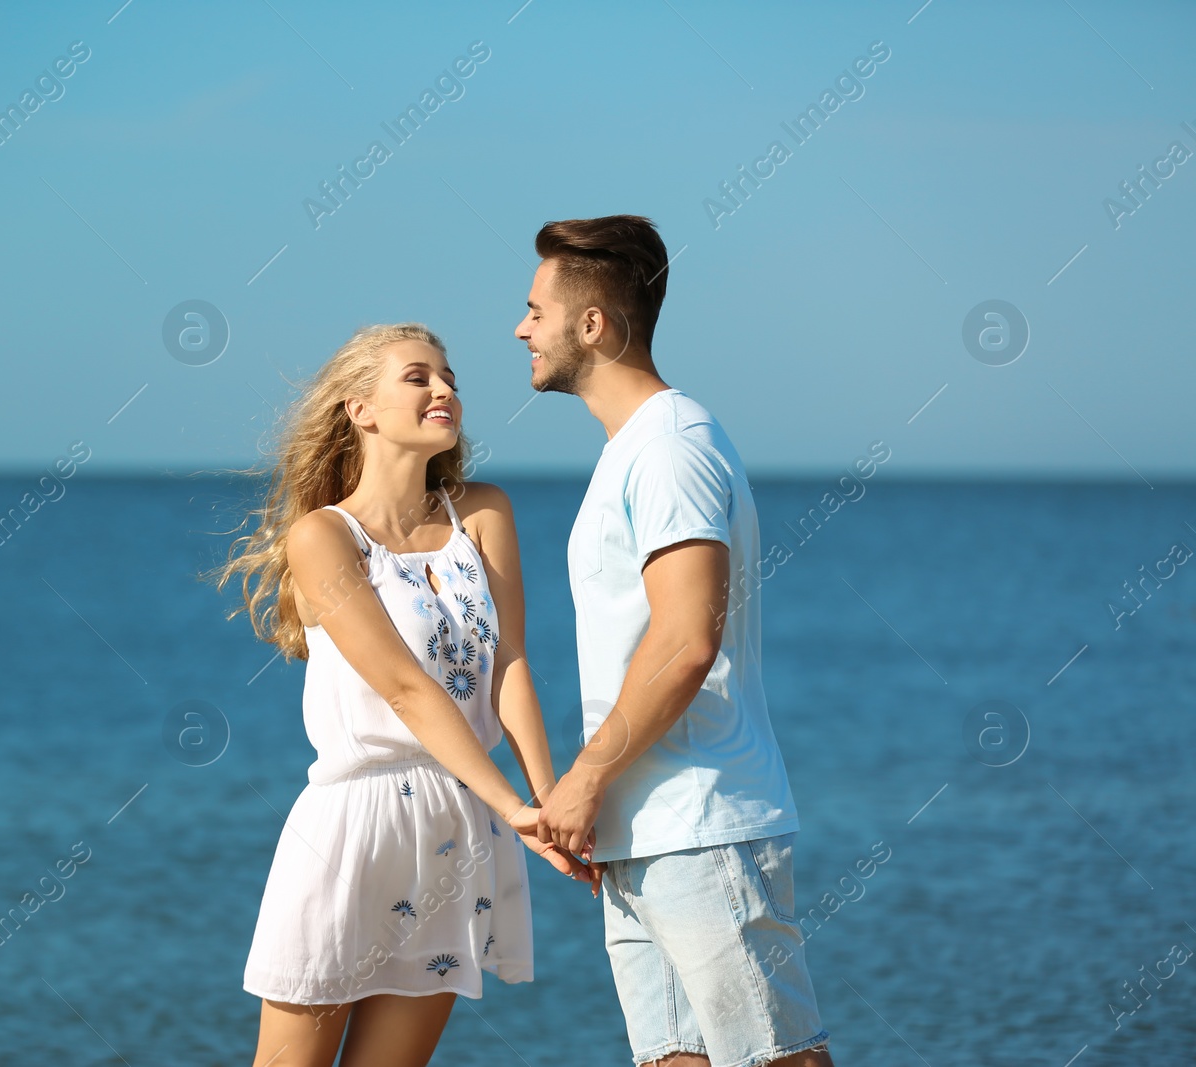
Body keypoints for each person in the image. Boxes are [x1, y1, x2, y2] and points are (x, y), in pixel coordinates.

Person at [214, 322, 590, 1067]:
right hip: (356, 823)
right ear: (362, 408)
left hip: (461, 824)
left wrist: (550, 804)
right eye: (418, 377)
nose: (444, 388)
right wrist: (513, 805)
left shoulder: (481, 512)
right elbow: (404, 687)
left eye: (448, 376)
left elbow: (511, 661)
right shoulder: (324, 537)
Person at [522, 216, 835, 1067]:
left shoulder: (670, 445)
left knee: (780, 1060)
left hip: (701, 821)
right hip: (638, 832)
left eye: (535, 309)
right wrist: (596, 798)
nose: (521, 329)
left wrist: (583, 777)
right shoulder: (631, 452)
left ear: (593, 325)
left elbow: (688, 636)